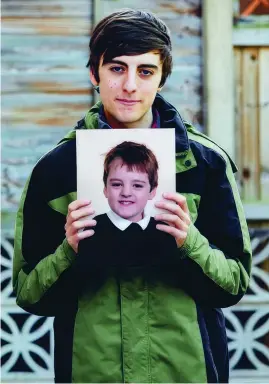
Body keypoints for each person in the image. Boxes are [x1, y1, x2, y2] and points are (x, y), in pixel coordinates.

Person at [12, 9, 252, 383]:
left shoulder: (205, 163)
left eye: (145, 71)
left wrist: (191, 243)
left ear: (162, 78)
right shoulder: (56, 169)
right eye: (117, 68)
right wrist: (67, 252)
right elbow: (30, 295)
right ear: (95, 73)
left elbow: (235, 284)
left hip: (186, 371)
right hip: (92, 372)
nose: (129, 86)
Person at [78, 140, 178, 271]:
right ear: (105, 189)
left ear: (152, 191)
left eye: (137, 185)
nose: (126, 193)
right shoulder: (90, 231)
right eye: (116, 184)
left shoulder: (166, 232)